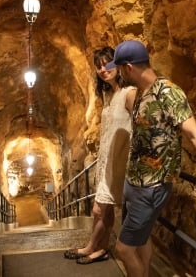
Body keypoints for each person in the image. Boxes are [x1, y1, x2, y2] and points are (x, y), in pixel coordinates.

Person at [105, 39, 196, 277]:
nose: (118, 72)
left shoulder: (169, 92)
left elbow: (194, 134)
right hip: (134, 182)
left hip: (152, 187)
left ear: (128, 67)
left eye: (120, 68)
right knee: (142, 238)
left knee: (123, 248)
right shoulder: (137, 95)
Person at [64, 47, 136, 264]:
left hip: (120, 161)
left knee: (98, 210)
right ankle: (101, 249)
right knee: (105, 210)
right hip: (107, 161)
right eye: (99, 66)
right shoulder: (108, 94)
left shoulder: (129, 92)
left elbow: (141, 124)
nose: (104, 69)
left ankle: (90, 247)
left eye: (108, 63)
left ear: (118, 63)